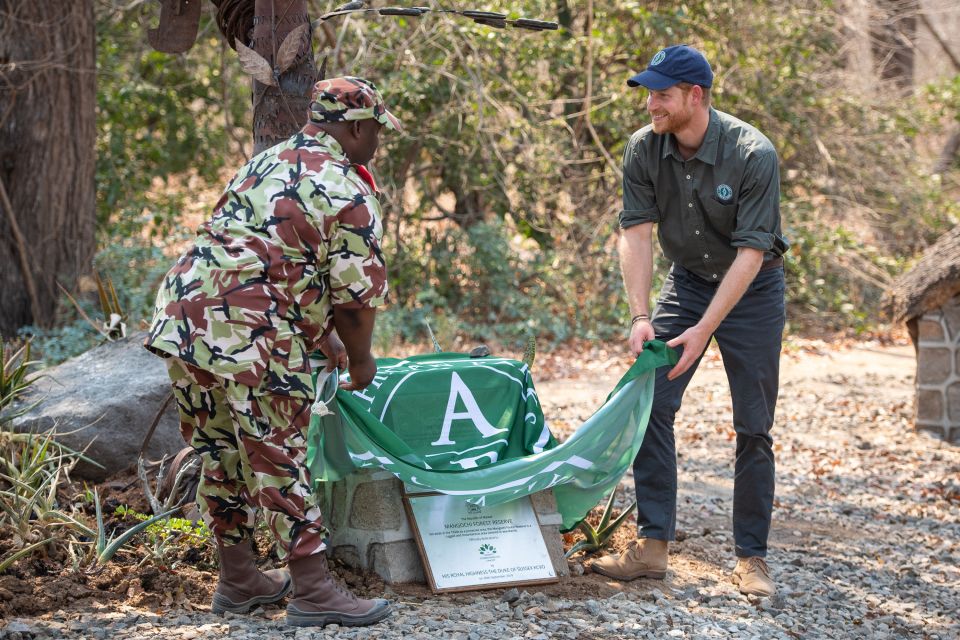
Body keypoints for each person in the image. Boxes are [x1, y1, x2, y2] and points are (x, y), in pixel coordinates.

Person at [144, 76, 400, 627]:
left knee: (219, 451)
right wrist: (360, 358)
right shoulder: (347, 189)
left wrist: (321, 337)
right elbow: (356, 301)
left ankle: (239, 579)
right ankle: (312, 590)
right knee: (280, 456)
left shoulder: (264, 162)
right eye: (376, 130)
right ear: (356, 127)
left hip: (187, 317)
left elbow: (269, 256)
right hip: (250, 331)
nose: (377, 141)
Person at [591, 45, 788, 597]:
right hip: (688, 282)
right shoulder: (642, 149)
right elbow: (635, 232)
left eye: (662, 95)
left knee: (753, 425)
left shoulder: (753, 154)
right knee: (650, 398)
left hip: (753, 288)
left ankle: (752, 559)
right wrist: (640, 314)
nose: (651, 104)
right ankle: (653, 548)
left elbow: (751, 253)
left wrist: (704, 331)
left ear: (695, 96)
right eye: (649, 93)